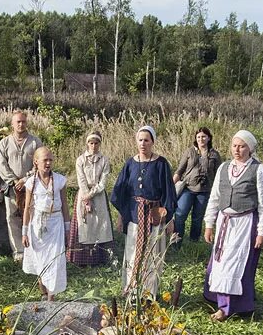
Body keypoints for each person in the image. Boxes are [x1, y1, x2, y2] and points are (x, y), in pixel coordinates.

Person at [202, 129, 263, 321]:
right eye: (234, 145)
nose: (237, 149)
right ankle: (219, 300)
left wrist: (262, 231)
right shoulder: (224, 167)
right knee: (219, 264)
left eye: (242, 146)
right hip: (224, 221)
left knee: (237, 265)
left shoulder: (259, 170)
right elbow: (215, 197)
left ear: (250, 149)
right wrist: (209, 223)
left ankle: (231, 307)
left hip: (245, 223)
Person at [112, 125, 176, 296]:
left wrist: (169, 218)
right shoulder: (130, 164)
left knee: (152, 256)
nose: (143, 143)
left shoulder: (161, 164)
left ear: (152, 142)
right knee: (133, 254)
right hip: (134, 215)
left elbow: (169, 191)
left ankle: (148, 295)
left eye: (146, 140)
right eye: (140, 140)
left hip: (154, 217)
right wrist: (121, 216)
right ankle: (132, 291)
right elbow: (121, 191)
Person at [21, 146, 70, 300]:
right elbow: (27, 208)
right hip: (37, 225)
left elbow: (65, 206)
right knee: (40, 259)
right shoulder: (31, 183)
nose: (48, 163)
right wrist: (24, 231)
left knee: (54, 260)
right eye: (45, 160)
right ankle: (43, 292)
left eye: (50, 160)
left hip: (56, 223)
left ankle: (51, 296)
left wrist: (68, 229)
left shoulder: (59, 181)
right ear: (36, 162)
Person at [0, 111, 42, 263]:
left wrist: (26, 179)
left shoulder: (35, 142)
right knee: (12, 218)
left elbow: (40, 163)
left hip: (31, 186)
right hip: (11, 187)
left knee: (32, 216)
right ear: (12, 124)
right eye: (18, 122)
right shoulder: (4, 143)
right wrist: (14, 181)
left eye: (23, 121)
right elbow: (1, 165)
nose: (21, 124)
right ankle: (18, 252)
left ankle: (33, 249)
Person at [171, 127, 221, 248]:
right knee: (180, 214)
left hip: (204, 191)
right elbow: (180, 171)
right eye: (198, 137)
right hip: (188, 188)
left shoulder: (214, 154)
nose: (201, 139)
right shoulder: (190, 152)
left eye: (203, 136)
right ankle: (176, 243)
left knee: (197, 218)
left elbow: (219, 174)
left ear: (209, 138)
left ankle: (194, 243)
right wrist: (170, 187)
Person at [70, 132, 114, 267]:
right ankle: (83, 260)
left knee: (100, 223)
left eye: (96, 143)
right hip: (84, 194)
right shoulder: (81, 160)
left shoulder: (104, 160)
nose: (93, 146)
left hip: (99, 195)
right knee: (85, 225)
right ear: (87, 144)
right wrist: (86, 198)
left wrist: (92, 194)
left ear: (100, 144)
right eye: (91, 143)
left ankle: (101, 258)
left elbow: (103, 181)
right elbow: (81, 180)